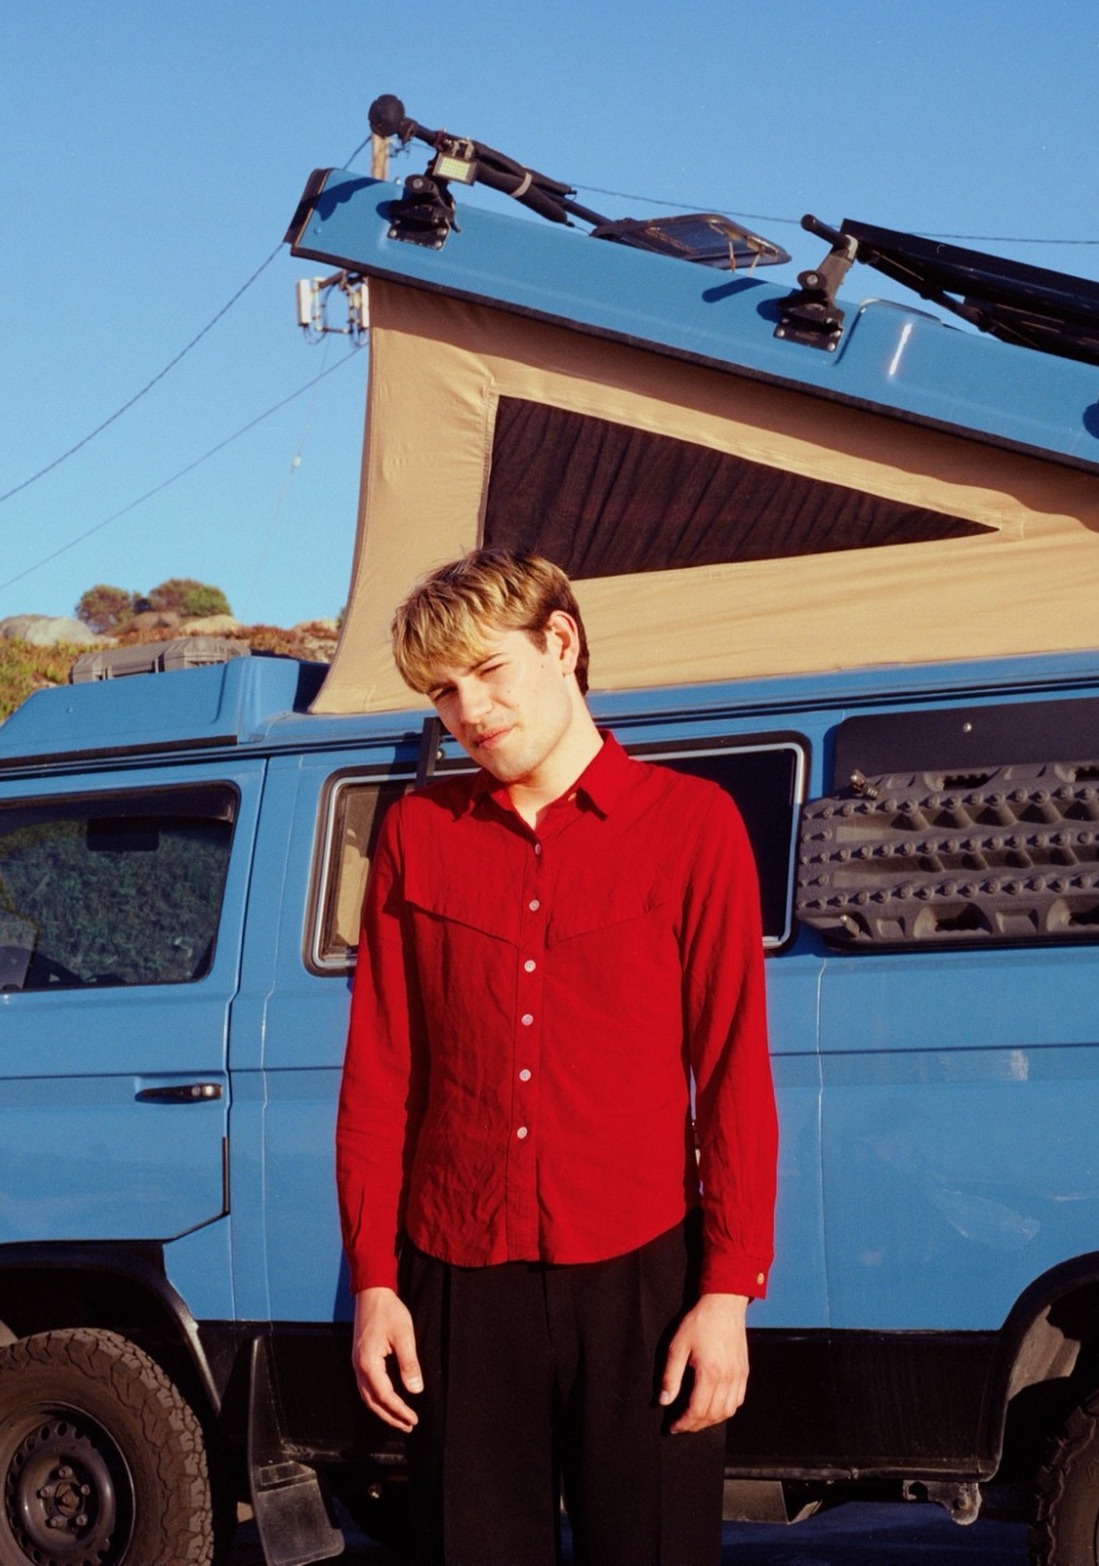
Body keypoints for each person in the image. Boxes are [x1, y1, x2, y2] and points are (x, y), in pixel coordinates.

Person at [335, 548, 778, 1566]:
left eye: (488, 671)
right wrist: (373, 1283)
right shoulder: (415, 835)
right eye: (444, 692)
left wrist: (724, 1294)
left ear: (561, 642)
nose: (469, 711)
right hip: (455, 1276)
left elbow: (730, 1074)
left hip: (643, 1274)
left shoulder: (691, 826)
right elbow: (380, 1073)